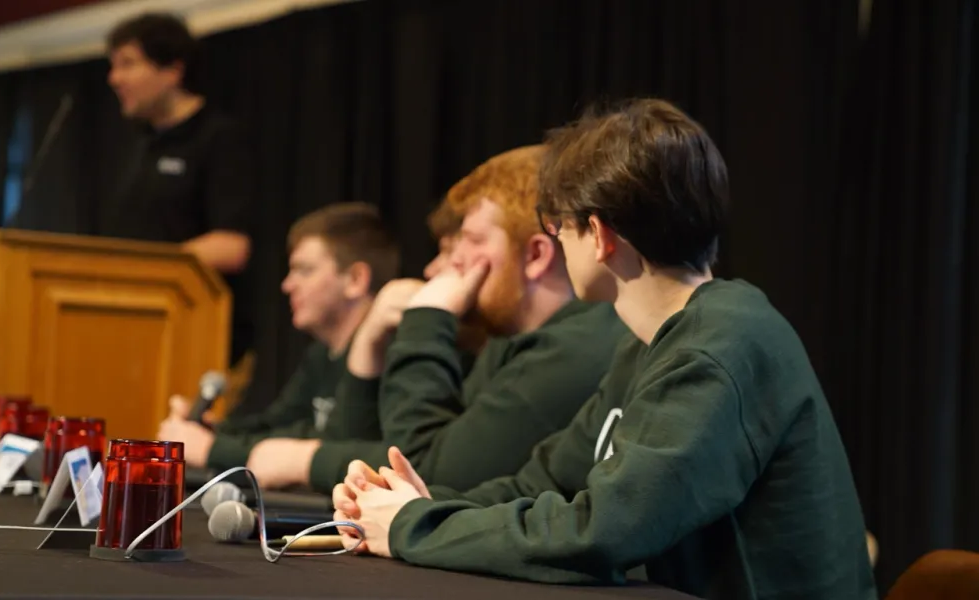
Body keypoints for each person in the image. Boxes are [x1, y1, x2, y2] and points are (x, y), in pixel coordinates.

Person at [333, 100, 878, 599]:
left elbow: (602, 533)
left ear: (597, 234)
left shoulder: (720, 347)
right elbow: (544, 483)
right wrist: (421, 504)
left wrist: (413, 526)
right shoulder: (655, 343)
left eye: (558, 227)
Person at [244, 145, 628, 493]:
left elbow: (423, 474)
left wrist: (427, 318)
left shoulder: (573, 347)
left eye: (472, 241)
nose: (449, 263)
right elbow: (399, 448)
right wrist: (368, 347)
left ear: (536, 256)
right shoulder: (507, 343)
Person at [158, 202, 399, 470]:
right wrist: (214, 432)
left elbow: (336, 447)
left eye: (304, 270)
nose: (287, 285)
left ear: (355, 279)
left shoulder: (389, 352)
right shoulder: (321, 354)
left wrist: (212, 450)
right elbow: (278, 425)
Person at [104, 13, 255, 364]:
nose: (114, 78)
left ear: (172, 70)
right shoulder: (139, 144)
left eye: (128, 64)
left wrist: (143, 269)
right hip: (136, 326)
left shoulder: (219, 138)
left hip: (197, 337)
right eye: (113, 66)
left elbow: (232, 247)